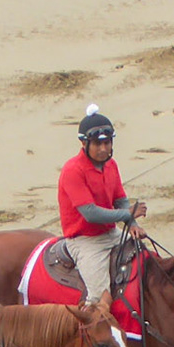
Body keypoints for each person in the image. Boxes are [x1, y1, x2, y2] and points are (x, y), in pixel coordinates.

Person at [55, 106, 146, 305]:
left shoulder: (111, 165)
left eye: (107, 142)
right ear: (83, 143)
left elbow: (120, 198)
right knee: (99, 299)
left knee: (148, 262)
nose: (103, 149)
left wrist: (132, 225)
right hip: (85, 242)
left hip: (111, 234)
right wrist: (127, 214)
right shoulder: (72, 170)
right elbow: (90, 213)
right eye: (97, 144)